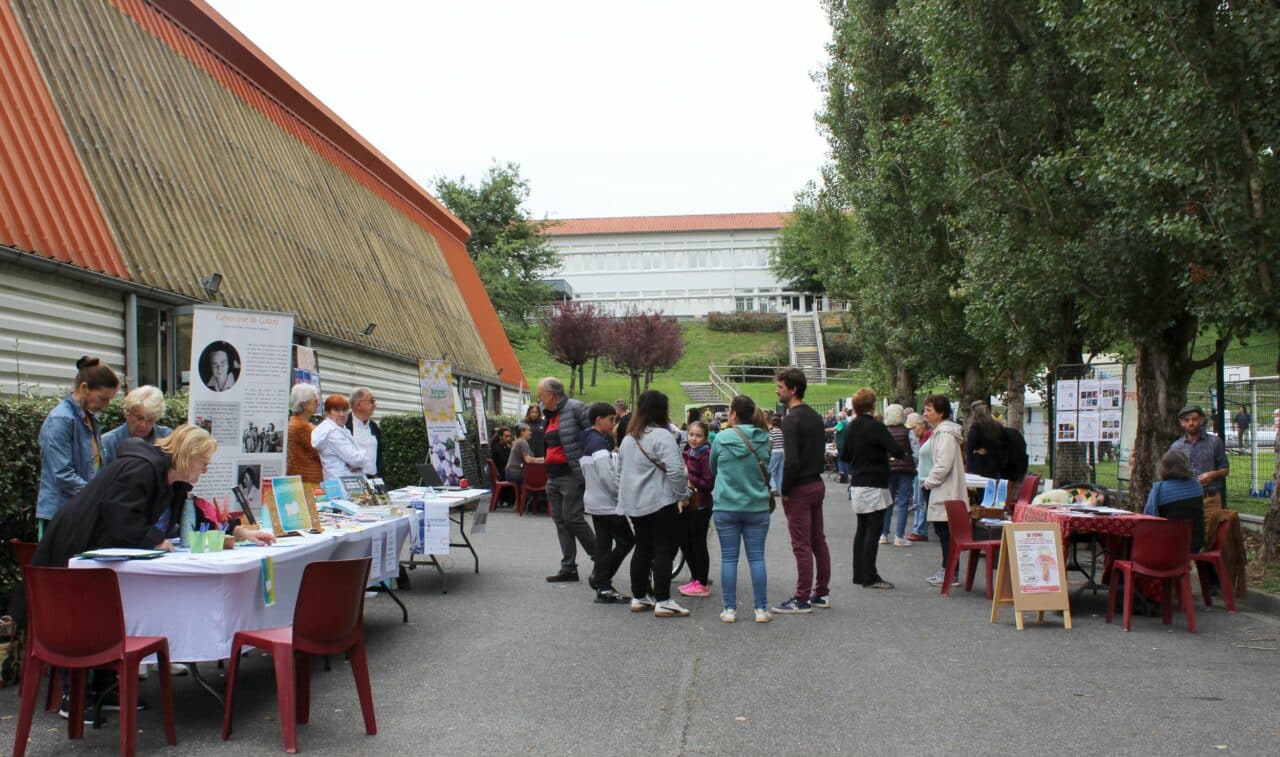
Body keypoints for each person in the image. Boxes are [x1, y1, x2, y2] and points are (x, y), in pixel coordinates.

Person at [615, 390, 690, 617]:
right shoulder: (663, 436)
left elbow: (619, 473)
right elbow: (676, 470)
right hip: (660, 500)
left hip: (635, 503)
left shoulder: (629, 438)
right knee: (664, 549)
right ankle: (664, 600)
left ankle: (639, 597)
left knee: (643, 548)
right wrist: (683, 495)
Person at [37, 356, 120, 535]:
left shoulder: (90, 418)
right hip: (60, 514)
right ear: (84, 387)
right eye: (103, 398)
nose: (106, 405)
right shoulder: (61, 419)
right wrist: (96, 495)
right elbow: (62, 474)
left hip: (83, 510)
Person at [772, 367, 832, 614]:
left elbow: (792, 460)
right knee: (818, 540)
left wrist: (784, 489)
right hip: (817, 482)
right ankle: (821, 592)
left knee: (801, 544)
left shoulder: (791, 419)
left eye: (780, 387)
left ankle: (801, 598)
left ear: (793, 389)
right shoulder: (814, 417)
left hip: (800, 487)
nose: (777, 390)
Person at [710, 396, 773, 623]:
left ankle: (729, 609)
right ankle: (761, 609)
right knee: (757, 558)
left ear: (734, 413)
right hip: (756, 505)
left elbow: (713, 467)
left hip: (726, 504)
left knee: (729, 558)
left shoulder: (720, 438)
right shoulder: (765, 439)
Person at [841, 388, 905, 590]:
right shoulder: (876, 426)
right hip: (875, 482)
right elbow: (896, 450)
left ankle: (859, 573)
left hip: (858, 481)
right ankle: (870, 575)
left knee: (862, 529)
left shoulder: (851, 427)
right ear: (872, 405)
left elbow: (844, 456)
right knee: (873, 530)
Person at [538, 378, 596, 583]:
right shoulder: (550, 415)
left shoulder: (576, 408)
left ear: (551, 393)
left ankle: (600, 558)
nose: (539, 399)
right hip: (553, 476)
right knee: (561, 521)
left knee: (573, 518)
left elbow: (593, 436)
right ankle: (568, 568)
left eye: (541, 395)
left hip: (571, 474)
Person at [580, 402, 632, 604]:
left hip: (594, 500)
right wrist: (620, 495)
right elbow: (606, 476)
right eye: (611, 420)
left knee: (603, 544)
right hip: (607, 502)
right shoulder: (599, 442)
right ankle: (602, 580)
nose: (613, 424)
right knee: (627, 540)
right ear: (598, 420)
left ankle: (602, 583)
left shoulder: (588, 439)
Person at [920, 394, 966, 587]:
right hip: (941, 487)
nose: (925, 413)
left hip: (944, 489)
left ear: (941, 412)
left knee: (945, 531)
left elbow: (943, 463)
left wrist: (928, 482)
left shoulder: (945, 433)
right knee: (943, 531)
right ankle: (948, 569)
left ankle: (950, 570)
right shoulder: (941, 431)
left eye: (929, 410)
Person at [678, 420, 715, 598]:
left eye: (698, 435)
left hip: (701, 505)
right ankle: (696, 578)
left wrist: (689, 475)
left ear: (706, 438)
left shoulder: (706, 455)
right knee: (685, 542)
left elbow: (708, 484)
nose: (693, 438)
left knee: (698, 544)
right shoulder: (687, 453)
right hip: (687, 503)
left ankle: (702, 582)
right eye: (691, 434)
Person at [1144, 449, 1205, 553]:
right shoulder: (1197, 487)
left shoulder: (1159, 489)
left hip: (1166, 546)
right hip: (1193, 545)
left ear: (1164, 467)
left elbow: (1148, 518)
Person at [1169, 405, 1229, 511]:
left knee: (1210, 527)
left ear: (1201, 419)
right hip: (1184, 498)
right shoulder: (1176, 447)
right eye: (1187, 420)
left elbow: (1225, 469)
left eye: (1194, 419)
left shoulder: (1215, 442)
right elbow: (1171, 474)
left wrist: (1212, 475)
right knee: (1187, 528)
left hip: (1210, 498)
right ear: (1181, 422)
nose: (1191, 423)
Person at [101, 385, 171, 466]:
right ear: (127, 413)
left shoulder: (168, 439)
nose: (143, 425)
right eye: (139, 418)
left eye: (150, 420)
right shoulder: (108, 443)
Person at [881, 403, 915, 548]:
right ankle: (899, 536)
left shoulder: (884, 432)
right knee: (903, 503)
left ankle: (884, 534)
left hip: (888, 469)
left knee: (888, 502)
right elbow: (915, 450)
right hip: (906, 469)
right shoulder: (908, 432)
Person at [312, 394, 368, 481]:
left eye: (344, 410)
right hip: (344, 485)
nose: (342, 414)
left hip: (342, 482)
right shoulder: (332, 433)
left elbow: (354, 460)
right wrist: (364, 456)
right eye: (337, 410)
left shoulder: (339, 429)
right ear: (327, 412)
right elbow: (355, 459)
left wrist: (358, 460)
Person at [286, 384, 324, 487]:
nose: (318, 403)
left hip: (298, 478)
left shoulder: (294, 423)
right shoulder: (302, 427)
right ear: (304, 405)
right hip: (308, 481)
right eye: (315, 400)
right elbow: (320, 451)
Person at [344, 387, 383, 477]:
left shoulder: (374, 426)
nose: (375, 405)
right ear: (359, 405)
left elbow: (379, 455)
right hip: (353, 480)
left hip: (374, 480)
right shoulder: (344, 425)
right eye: (372, 401)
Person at [905, 412, 930, 541]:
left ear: (921, 425)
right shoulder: (922, 437)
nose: (913, 431)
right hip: (919, 471)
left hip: (923, 473)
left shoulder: (927, 437)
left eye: (914, 428)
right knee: (917, 501)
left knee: (920, 502)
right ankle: (918, 528)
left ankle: (920, 530)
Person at [965, 401, 1004, 479]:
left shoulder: (976, 427)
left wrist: (969, 463)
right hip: (996, 464)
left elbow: (970, 447)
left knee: (982, 490)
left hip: (981, 465)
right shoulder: (997, 425)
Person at [505, 423, 543, 487]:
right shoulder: (522, 442)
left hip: (510, 473)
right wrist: (544, 459)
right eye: (529, 430)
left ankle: (527, 495)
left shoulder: (518, 441)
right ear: (522, 432)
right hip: (515, 473)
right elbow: (528, 460)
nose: (530, 432)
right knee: (541, 477)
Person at [766, 415, 785, 493]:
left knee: (771, 470)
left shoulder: (772, 432)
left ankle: (773, 488)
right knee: (780, 471)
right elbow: (783, 443)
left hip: (775, 451)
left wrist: (768, 451)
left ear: (771, 423)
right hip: (782, 451)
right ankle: (780, 489)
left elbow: (770, 444)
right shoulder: (781, 431)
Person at [834, 408, 850, 484]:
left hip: (841, 445)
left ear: (841, 417)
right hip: (846, 444)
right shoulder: (847, 422)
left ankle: (843, 478)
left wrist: (823, 430)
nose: (838, 418)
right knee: (845, 461)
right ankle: (846, 477)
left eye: (838, 417)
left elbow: (835, 429)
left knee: (841, 461)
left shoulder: (842, 423)